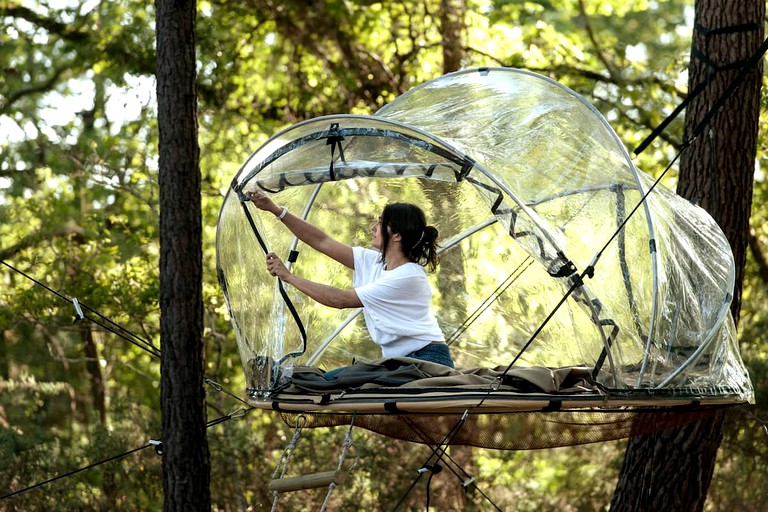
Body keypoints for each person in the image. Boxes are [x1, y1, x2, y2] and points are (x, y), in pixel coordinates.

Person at [245, 189, 455, 373]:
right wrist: (275, 209)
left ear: (397, 235)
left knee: (341, 380)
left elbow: (341, 300)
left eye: (380, 222)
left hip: (428, 360)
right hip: (400, 363)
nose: (373, 227)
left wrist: (288, 276)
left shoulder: (408, 276)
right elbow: (322, 241)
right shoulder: (376, 262)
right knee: (341, 379)